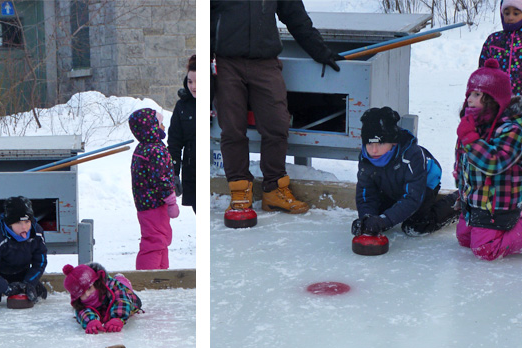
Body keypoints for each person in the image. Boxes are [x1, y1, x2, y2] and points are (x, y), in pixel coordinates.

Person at [211, 0, 343, 219]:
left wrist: (321, 51)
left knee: (277, 123)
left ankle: (275, 190)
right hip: (226, 63)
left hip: (265, 63)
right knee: (232, 128)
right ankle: (239, 193)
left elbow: (296, 17)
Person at [455, 59, 522, 260]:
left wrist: (470, 139)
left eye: (477, 95)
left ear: (493, 99)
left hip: (498, 202)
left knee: (485, 249)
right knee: (464, 238)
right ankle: (500, 227)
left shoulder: (511, 129)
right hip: (474, 199)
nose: (469, 99)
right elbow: (461, 160)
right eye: (469, 94)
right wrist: (461, 189)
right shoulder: (472, 124)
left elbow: (495, 163)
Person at [352, 107, 459, 240]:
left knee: (416, 227)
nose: (374, 150)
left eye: (380, 143)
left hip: (424, 183)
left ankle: (457, 202)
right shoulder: (365, 158)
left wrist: (384, 220)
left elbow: (413, 198)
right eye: (369, 144)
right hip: (391, 184)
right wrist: (365, 219)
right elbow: (366, 194)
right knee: (375, 219)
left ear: (393, 142)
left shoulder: (412, 156)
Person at [479, 0, 522, 190]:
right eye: (506, 12)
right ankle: (495, 179)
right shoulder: (493, 40)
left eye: (515, 13)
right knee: (493, 142)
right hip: (495, 105)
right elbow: (483, 73)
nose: (510, 17)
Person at [128, 107, 178, 270]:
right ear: (152, 127)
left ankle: (162, 274)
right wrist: (171, 200)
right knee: (155, 241)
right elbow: (160, 179)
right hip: (155, 204)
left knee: (161, 239)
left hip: (146, 203)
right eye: (160, 123)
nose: (164, 127)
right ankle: (148, 276)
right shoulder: (155, 150)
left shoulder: (143, 148)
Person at [62, 262, 143, 334]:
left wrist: (117, 318)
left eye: (89, 288)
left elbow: (121, 299)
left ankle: (120, 277)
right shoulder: (80, 302)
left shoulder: (112, 286)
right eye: (82, 293)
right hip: (104, 306)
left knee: (123, 285)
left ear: (96, 283)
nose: (87, 294)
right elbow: (81, 311)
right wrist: (91, 321)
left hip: (126, 294)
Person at [168, 54, 196, 213]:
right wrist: (173, 173)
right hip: (191, 172)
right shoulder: (182, 106)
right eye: (190, 81)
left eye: (198, 81)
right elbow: (174, 143)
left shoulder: (216, 100)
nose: (193, 86)